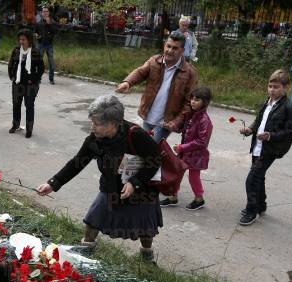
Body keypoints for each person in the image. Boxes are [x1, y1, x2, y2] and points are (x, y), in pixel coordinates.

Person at [36, 95, 163, 262]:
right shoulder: (95, 139)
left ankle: (147, 258)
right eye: (92, 122)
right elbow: (77, 162)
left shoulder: (135, 135)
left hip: (141, 189)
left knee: (145, 227)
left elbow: (155, 159)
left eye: (96, 123)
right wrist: (53, 183)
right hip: (110, 187)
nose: (92, 127)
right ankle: (85, 253)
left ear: (112, 123)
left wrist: (135, 183)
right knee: (92, 221)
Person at [115, 31, 198, 144]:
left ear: (182, 51)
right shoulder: (154, 61)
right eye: (168, 46)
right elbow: (140, 72)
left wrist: (177, 122)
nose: (170, 51)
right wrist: (127, 82)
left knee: (148, 147)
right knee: (145, 149)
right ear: (164, 45)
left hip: (166, 122)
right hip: (148, 115)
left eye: (175, 48)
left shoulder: (189, 72)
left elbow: (189, 102)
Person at [238, 70, 292, 226]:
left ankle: (252, 210)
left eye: (276, 87)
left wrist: (271, 136)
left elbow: (291, 130)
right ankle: (261, 205)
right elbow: (258, 121)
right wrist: (249, 130)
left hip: (270, 149)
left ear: (286, 88)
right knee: (259, 177)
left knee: (251, 180)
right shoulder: (267, 102)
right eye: (270, 86)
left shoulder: (289, 107)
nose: (272, 90)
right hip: (257, 146)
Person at [160, 87, 213, 210]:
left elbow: (202, 142)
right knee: (176, 173)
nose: (193, 102)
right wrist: (171, 126)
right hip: (185, 153)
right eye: (192, 99)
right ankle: (173, 197)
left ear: (204, 102)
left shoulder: (205, 121)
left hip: (197, 155)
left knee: (193, 177)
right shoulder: (190, 114)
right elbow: (184, 129)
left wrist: (181, 147)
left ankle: (199, 199)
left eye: (197, 100)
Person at [7, 29, 44, 138]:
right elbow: (11, 63)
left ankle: (29, 129)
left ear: (29, 40)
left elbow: (41, 68)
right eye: (20, 39)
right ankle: (15, 124)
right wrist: (12, 76)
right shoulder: (16, 50)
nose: (21, 41)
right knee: (16, 104)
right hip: (17, 82)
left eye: (24, 39)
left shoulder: (35, 52)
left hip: (30, 84)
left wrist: (34, 79)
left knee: (29, 106)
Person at [34, 6, 57, 84]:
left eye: (46, 11)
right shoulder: (39, 22)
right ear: (41, 13)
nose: (45, 13)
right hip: (40, 44)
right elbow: (35, 31)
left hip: (49, 45)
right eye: (43, 11)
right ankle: (38, 78)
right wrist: (36, 35)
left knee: (51, 63)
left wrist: (49, 24)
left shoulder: (52, 22)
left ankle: (51, 79)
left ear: (48, 13)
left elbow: (55, 32)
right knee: (38, 62)